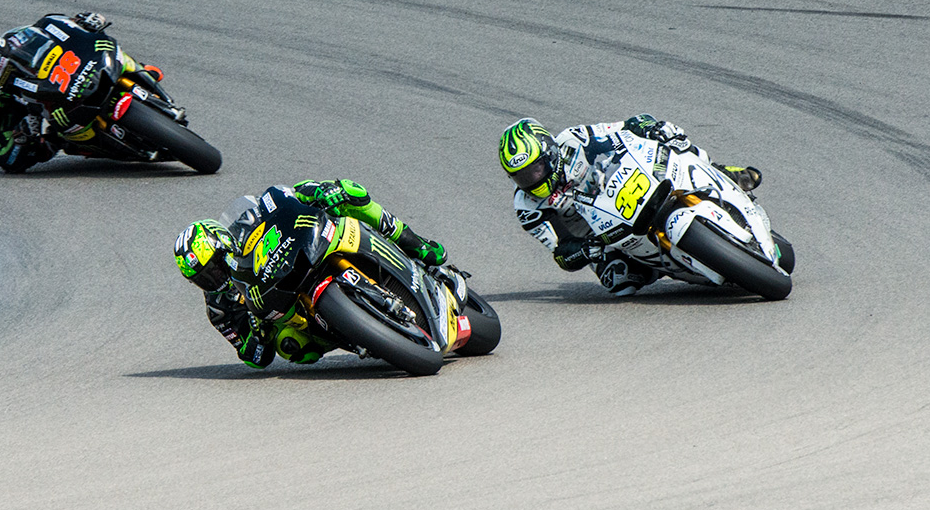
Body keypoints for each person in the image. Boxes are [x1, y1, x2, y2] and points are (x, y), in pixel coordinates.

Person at [174, 180, 448, 368]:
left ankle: (417, 245)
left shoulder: (245, 222)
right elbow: (254, 358)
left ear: (224, 242)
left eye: (215, 267)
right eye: (203, 277)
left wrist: (316, 191)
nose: (215, 278)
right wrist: (257, 334)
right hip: (288, 310)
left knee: (351, 193)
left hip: (299, 253)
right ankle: (361, 335)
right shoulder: (219, 309)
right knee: (291, 347)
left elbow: (285, 198)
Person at [499, 115, 764, 296]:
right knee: (619, 283)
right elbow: (561, 253)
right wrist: (584, 250)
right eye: (522, 176)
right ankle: (668, 266)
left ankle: (719, 171)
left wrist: (649, 127)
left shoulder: (573, 139)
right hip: (600, 236)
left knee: (674, 142)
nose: (532, 179)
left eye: (536, 169)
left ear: (550, 153)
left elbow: (624, 127)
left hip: (621, 186)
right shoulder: (527, 206)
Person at [0, 12, 166, 173]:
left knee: (103, 51)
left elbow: (39, 29)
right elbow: (6, 159)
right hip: (28, 126)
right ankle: (107, 143)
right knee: (62, 143)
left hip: (48, 83)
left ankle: (141, 71)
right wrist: (25, 138)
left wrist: (78, 24)